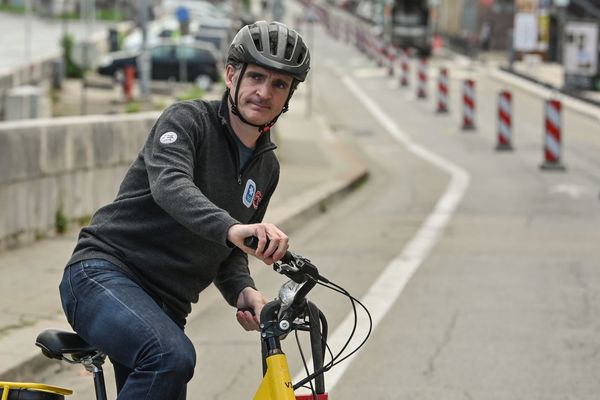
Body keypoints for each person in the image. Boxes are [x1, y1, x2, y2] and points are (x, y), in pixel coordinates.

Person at [58, 20, 310, 400]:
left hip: (166, 306)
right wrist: (232, 230)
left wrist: (245, 291)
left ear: (289, 94)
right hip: (103, 275)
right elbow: (171, 187)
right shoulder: (187, 121)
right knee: (170, 357)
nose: (264, 92)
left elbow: (229, 250)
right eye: (256, 76)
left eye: (279, 84)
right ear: (231, 75)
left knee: (168, 365)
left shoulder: (266, 168)